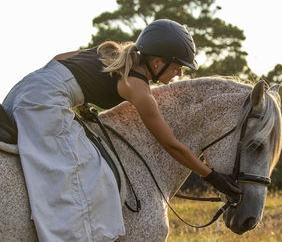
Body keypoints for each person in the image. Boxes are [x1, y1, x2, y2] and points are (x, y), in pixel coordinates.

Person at [2, 19, 241, 241]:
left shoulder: (109, 53)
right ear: (157, 62)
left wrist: (79, 99)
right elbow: (171, 144)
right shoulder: (138, 88)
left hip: (24, 90)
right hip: (42, 103)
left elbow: (59, 60)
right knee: (89, 170)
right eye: (178, 67)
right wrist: (211, 176)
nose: (180, 73)